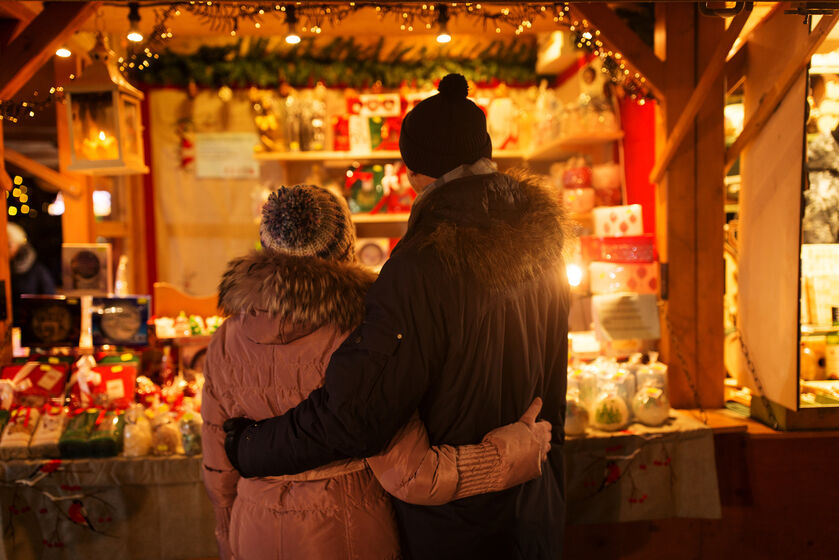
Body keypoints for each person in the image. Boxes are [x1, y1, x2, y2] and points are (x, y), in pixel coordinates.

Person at [224, 73, 571, 559]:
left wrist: (250, 447)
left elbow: (358, 415)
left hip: (453, 530)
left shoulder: (422, 263)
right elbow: (554, 393)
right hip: (534, 513)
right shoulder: (545, 242)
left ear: (413, 173)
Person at [203, 184, 553, 560]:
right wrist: (508, 455)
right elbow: (413, 476)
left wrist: (228, 536)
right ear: (346, 249)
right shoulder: (363, 337)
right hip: (345, 534)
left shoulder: (226, 339)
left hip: (253, 530)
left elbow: (217, 467)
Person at [7, 222, 56, 320]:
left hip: (32, 322)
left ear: (18, 244)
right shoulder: (5, 269)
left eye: (8, 244)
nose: (5, 249)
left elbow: (50, 298)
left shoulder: (36, 269)